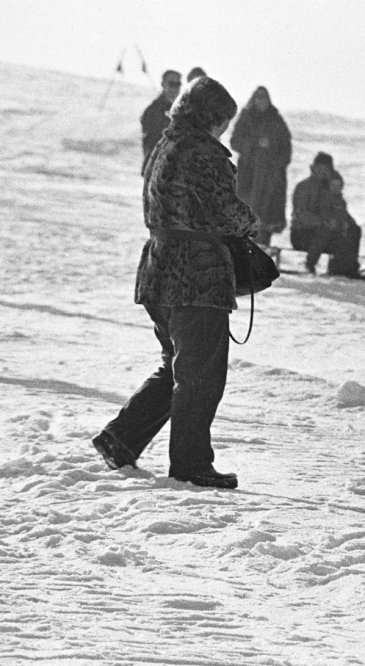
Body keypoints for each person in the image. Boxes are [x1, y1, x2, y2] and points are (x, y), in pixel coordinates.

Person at [92, 77, 256, 489]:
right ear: (212, 117)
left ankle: (121, 439)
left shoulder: (166, 144)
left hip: (158, 269)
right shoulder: (203, 152)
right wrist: (252, 222)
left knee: (178, 365)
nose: (225, 130)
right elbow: (224, 213)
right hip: (197, 273)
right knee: (200, 376)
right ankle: (191, 464)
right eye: (224, 121)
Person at [230, 86, 292, 246]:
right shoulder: (246, 118)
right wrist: (254, 145)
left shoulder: (276, 120)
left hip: (271, 179)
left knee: (266, 220)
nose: (261, 101)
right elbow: (235, 141)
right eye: (258, 97)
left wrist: (274, 159)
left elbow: (286, 149)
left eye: (264, 97)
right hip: (249, 175)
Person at [290, 152, 335, 273]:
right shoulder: (304, 187)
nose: (323, 172)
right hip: (302, 233)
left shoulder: (332, 188)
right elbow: (300, 214)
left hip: (324, 234)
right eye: (320, 168)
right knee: (324, 230)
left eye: (326, 170)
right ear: (314, 168)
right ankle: (310, 264)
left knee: (353, 231)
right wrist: (322, 222)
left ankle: (345, 266)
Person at [140, 69, 181, 174]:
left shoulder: (182, 110)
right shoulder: (153, 111)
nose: (175, 88)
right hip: (156, 169)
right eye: (171, 84)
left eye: (178, 84)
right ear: (163, 84)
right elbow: (153, 141)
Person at [325, 173, 364, 279]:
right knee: (341, 237)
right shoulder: (326, 199)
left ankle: (351, 265)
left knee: (355, 231)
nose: (336, 188)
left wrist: (351, 223)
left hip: (340, 229)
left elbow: (345, 215)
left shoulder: (341, 201)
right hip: (329, 230)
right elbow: (326, 215)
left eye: (338, 186)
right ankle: (338, 267)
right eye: (333, 185)